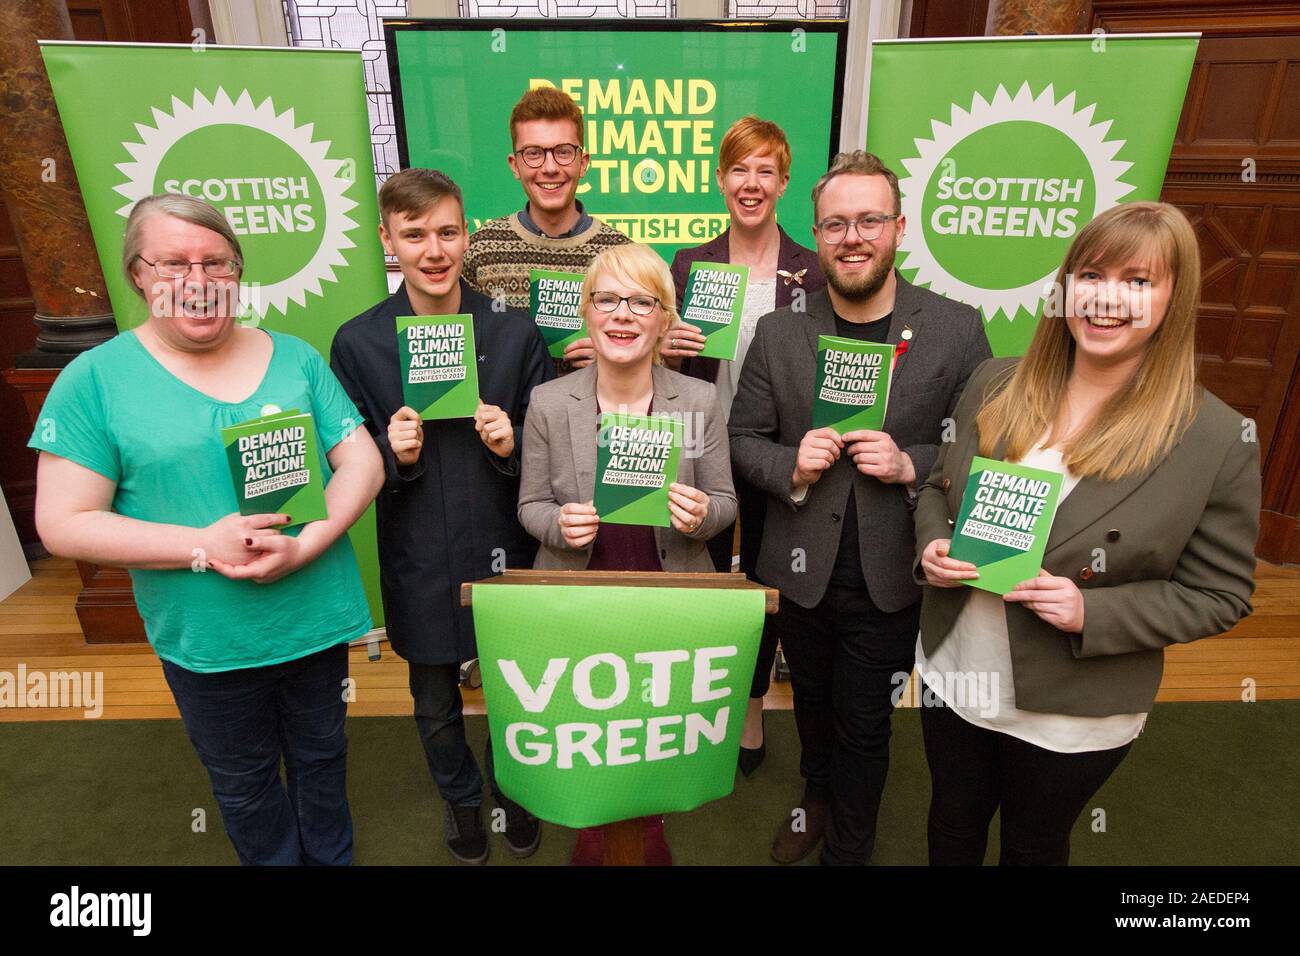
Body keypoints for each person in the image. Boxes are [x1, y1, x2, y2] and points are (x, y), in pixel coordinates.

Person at [28, 193, 384, 865]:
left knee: (323, 758)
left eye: (216, 262)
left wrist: (309, 542)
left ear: (237, 271)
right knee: (244, 784)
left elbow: (361, 459)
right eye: (174, 263)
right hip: (207, 640)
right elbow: (63, 523)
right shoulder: (93, 381)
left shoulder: (295, 358)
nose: (197, 281)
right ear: (138, 274)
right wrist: (201, 546)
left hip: (314, 617)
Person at [914, 201, 1259, 865]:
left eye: (1138, 281)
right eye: (1092, 275)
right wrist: (932, 546)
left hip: (1073, 709)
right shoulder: (995, 381)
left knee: (1034, 845)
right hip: (953, 671)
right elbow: (935, 490)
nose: (1107, 299)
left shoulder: (1215, 438)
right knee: (951, 823)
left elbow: (1220, 594)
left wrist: (1089, 611)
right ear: (1065, 287)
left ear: (1174, 298)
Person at [728, 151, 992, 865]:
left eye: (870, 220)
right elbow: (741, 439)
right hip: (798, 570)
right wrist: (791, 464)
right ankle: (815, 798)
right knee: (812, 707)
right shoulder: (782, 332)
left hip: (892, 571)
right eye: (836, 224)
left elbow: (983, 451)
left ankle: (851, 846)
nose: (853, 237)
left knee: (865, 721)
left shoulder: (955, 329)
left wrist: (913, 464)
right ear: (816, 236)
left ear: (898, 227)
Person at [329, 168, 554, 865]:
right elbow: (344, 463)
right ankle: (460, 797)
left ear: (467, 235)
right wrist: (387, 455)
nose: (433, 249)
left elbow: (551, 450)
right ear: (387, 238)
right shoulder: (359, 343)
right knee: (433, 697)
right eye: (415, 233)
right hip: (418, 546)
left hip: (504, 543)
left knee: (519, 685)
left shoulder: (515, 334)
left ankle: (515, 789)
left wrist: (512, 442)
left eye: (447, 232)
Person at [517, 243, 737, 865]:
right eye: (608, 299)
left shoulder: (698, 401)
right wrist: (560, 524)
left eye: (642, 301)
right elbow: (529, 506)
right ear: (586, 314)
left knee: (653, 732)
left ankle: (650, 828)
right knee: (593, 735)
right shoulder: (548, 402)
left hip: (671, 601)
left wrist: (702, 513)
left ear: (664, 319)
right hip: (578, 604)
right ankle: (593, 831)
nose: (622, 315)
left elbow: (726, 501)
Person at [665, 115, 827, 775]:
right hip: (700, 449)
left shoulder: (811, 272)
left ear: (783, 182)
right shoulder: (689, 264)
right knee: (689, 579)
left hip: (771, 457)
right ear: (720, 179)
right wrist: (663, 345)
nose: (751, 182)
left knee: (762, 582)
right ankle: (685, 704)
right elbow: (664, 371)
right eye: (739, 169)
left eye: (765, 169)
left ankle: (752, 707)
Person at [461, 85, 631, 373]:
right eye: (534, 153)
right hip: (504, 418)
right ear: (515, 166)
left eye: (564, 152)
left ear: (583, 163)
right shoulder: (481, 251)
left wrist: (613, 357)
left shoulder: (623, 255)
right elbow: (461, 357)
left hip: (593, 416)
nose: (550, 167)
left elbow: (653, 360)